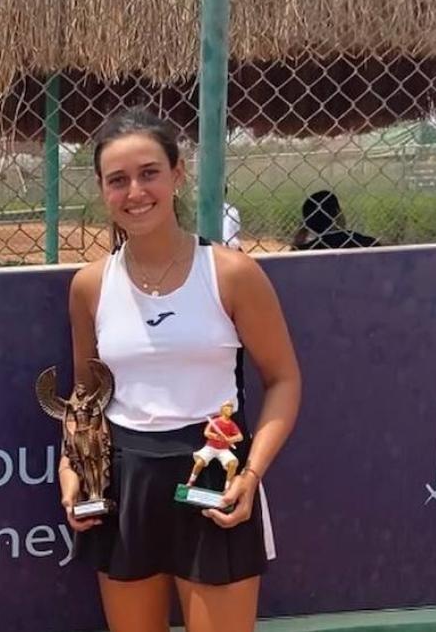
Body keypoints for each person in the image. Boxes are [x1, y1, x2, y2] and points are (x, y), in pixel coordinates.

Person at [65, 107, 302, 632]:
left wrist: (252, 473)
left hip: (216, 474)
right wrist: (75, 471)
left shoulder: (232, 273)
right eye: (118, 180)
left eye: (149, 173)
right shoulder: (89, 286)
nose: (135, 192)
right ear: (103, 190)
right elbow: (85, 399)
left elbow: (284, 380)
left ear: (177, 174)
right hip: (125, 484)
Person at [290, 190, 378, 251]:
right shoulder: (365, 242)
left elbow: (292, 256)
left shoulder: (307, 250)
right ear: (337, 214)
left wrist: (300, 237)